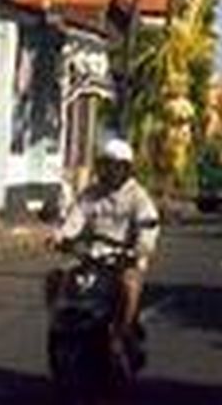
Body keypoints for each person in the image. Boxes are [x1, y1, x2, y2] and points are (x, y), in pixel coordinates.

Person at [55, 136, 159, 345]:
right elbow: (76, 218)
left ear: (125, 169)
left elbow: (148, 224)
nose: (109, 172)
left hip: (123, 259)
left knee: (129, 283)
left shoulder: (137, 196)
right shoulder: (91, 193)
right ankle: (59, 324)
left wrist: (142, 247)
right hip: (92, 256)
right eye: (105, 166)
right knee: (56, 278)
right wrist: (61, 236)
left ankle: (124, 331)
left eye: (114, 167)